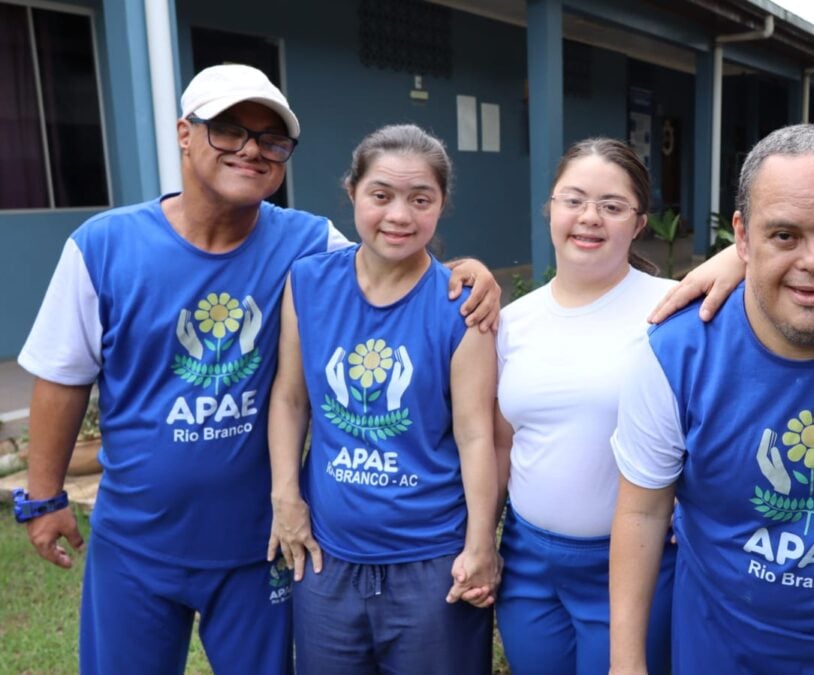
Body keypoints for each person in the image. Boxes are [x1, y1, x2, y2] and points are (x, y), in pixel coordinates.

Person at [15, 65, 498, 674]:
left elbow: (392, 254)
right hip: (136, 541)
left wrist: (470, 272)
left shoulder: (307, 246)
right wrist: (44, 495)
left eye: (272, 140)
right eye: (229, 130)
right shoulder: (103, 245)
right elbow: (62, 374)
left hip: (261, 545)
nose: (251, 150)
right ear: (185, 134)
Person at [609, 124, 814, 674]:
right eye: (784, 235)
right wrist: (626, 664)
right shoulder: (673, 356)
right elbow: (641, 511)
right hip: (722, 647)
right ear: (742, 233)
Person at [267, 124, 500, 674]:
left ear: (441, 206)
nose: (399, 216)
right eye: (381, 195)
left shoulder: (461, 306)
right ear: (352, 193)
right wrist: (286, 496)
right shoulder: (307, 282)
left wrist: (479, 545)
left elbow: (474, 435)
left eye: (421, 199)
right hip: (327, 555)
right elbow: (290, 398)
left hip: (432, 562)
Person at [493, 138, 675, 675]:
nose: (589, 218)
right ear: (549, 208)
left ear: (639, 222)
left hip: (631, 566)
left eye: (612, 206)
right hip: (528, 559)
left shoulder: (671, 309)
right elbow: (503, 439)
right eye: (573, 200)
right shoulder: (512, 320)